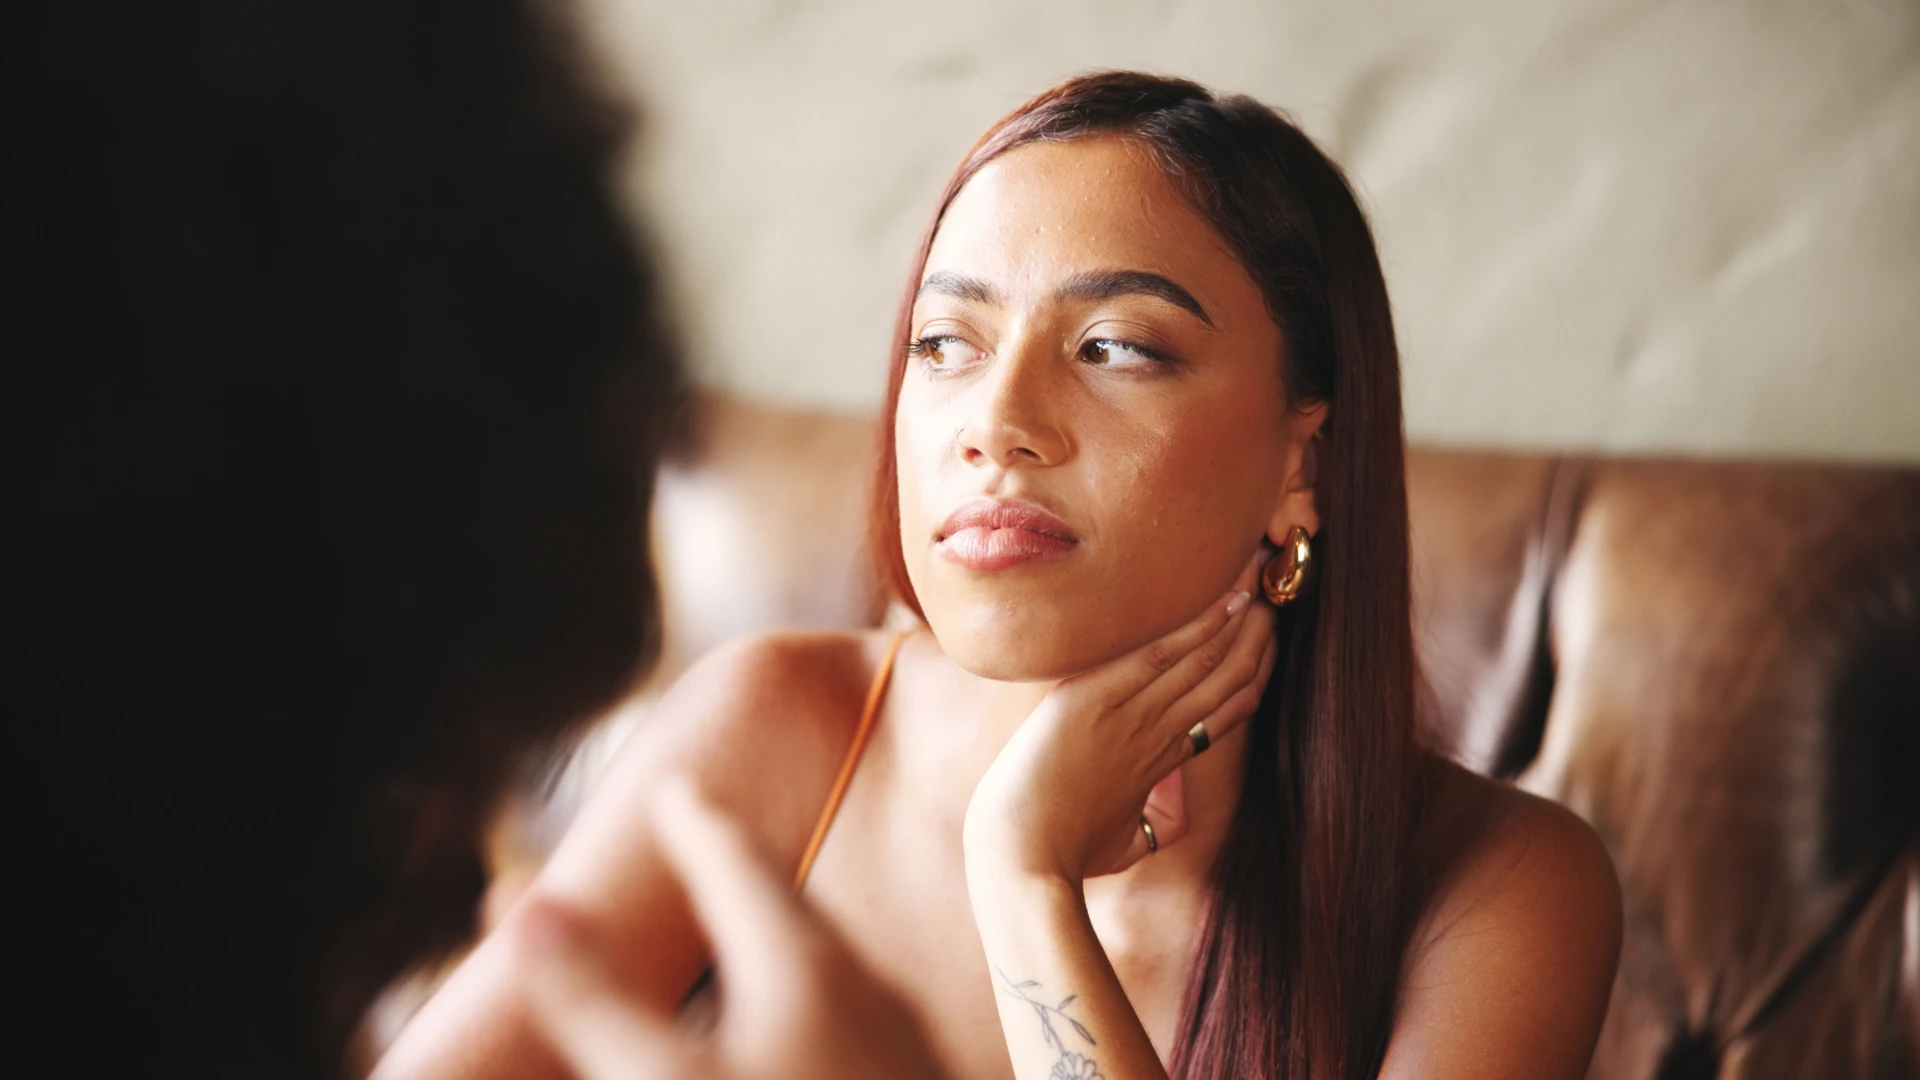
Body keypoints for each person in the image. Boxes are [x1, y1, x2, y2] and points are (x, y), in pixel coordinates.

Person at [379, 71, 1624, 1080]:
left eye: (1114, 347)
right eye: (944, 343)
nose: (996, 423)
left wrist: (1024, 881)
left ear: (1307, 461)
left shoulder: (1503, 891)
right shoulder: (777, 729)